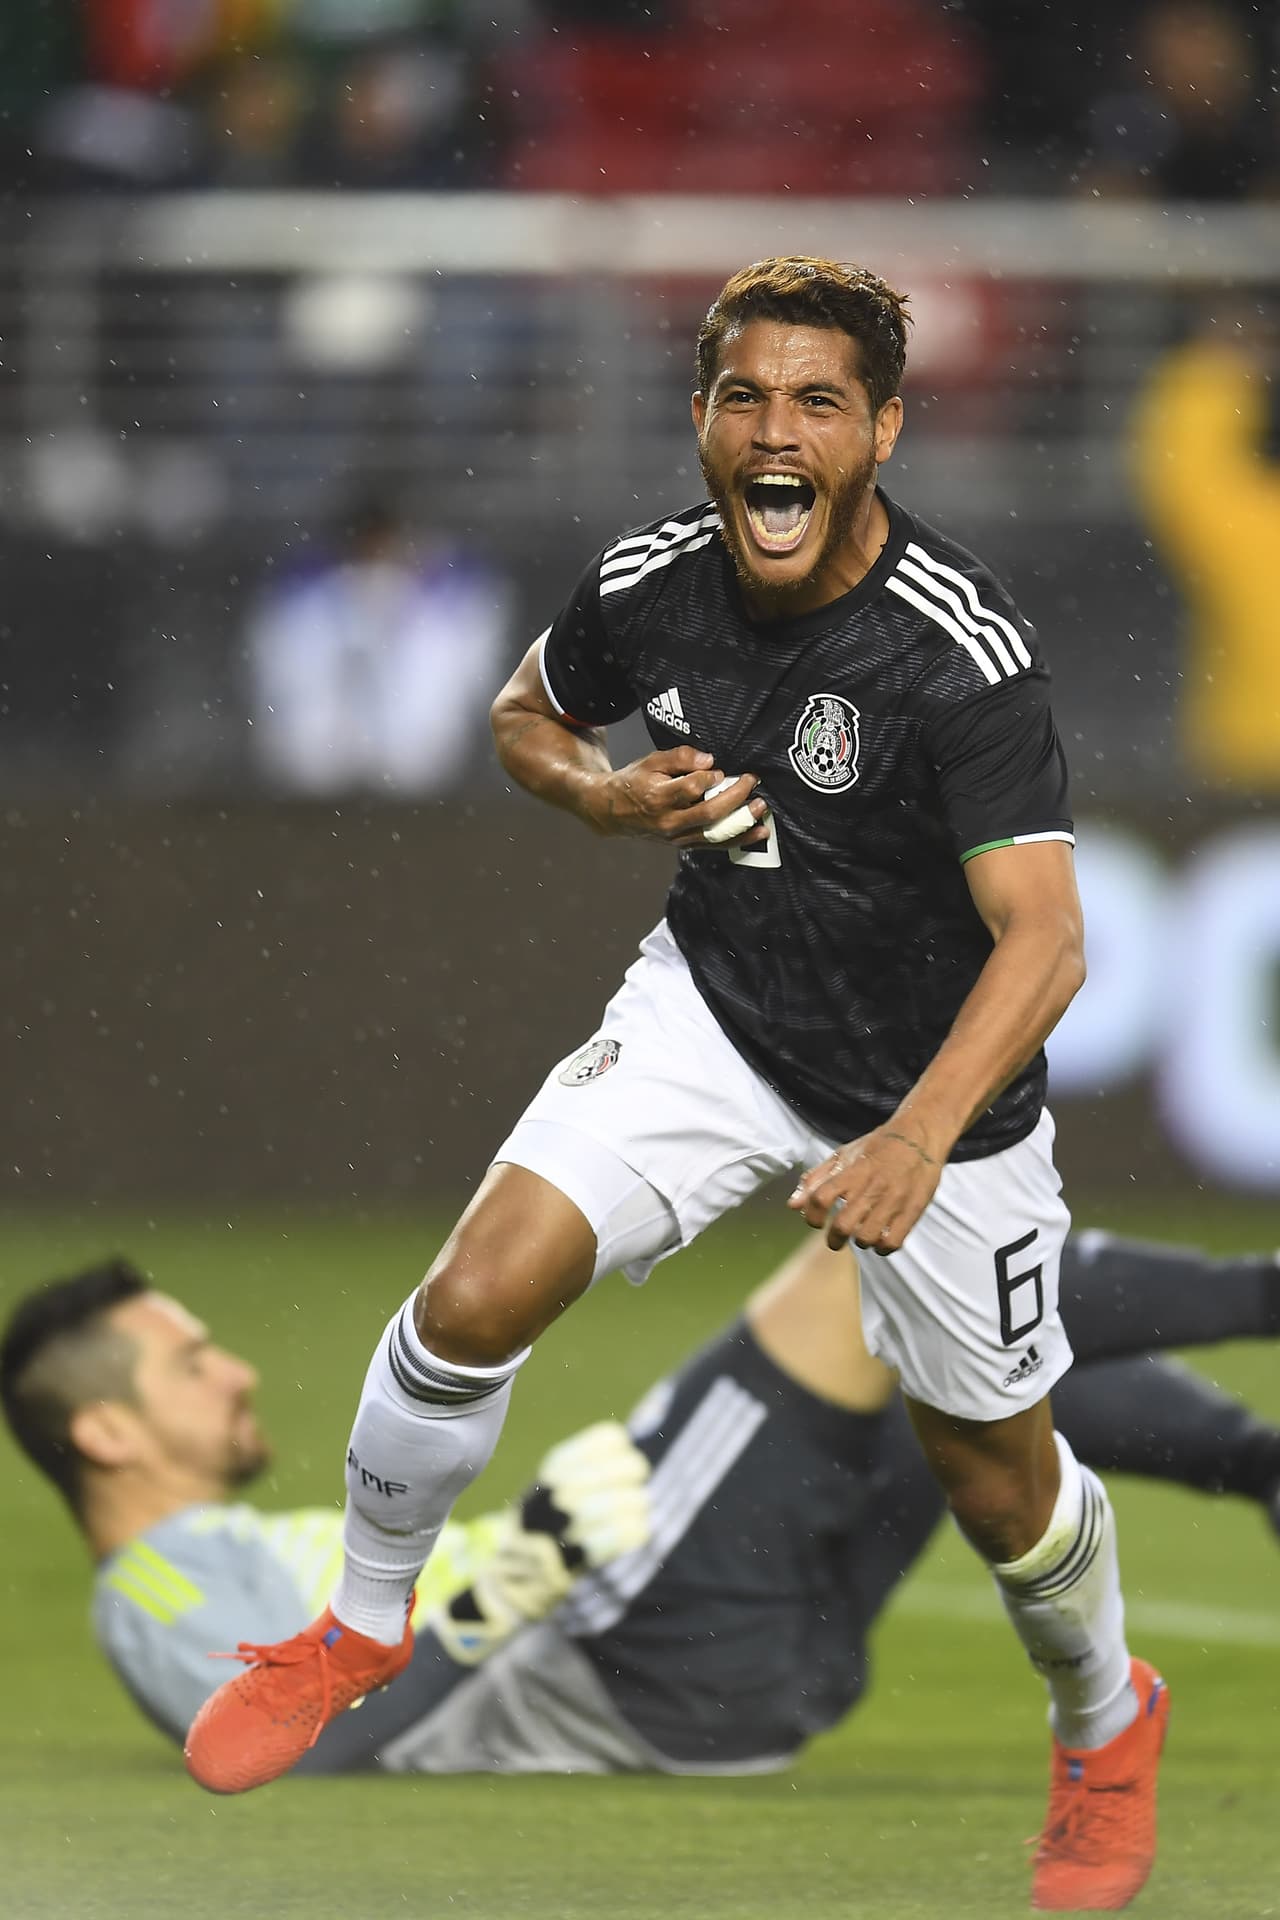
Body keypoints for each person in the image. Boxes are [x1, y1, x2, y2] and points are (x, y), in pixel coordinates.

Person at [186, 255, 1152, 1910]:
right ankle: (358, 1623)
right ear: (701, 416)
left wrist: (917, 1140)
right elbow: (522, 714)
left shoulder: (958, 653)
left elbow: (1047, 943)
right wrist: (596, 796)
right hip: (715, 1010)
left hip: (937, 1095)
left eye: (819, 404)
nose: (779, 434)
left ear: (884, 430)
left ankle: (1102, 1714)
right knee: (474, 1295)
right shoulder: (650, 584)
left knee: (998, 1479)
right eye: (746, 398)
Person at [3, 1233, 1279, 1777]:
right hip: (643, 1659)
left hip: (694, 1661)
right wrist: (513, 1582)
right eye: (188, 1362)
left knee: (938, 1370)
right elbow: (314, 1747)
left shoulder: (224, 1547)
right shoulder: (156, 1584)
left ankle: (1262, 1463)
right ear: (104, 1432)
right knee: (876, 1253)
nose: (231, 1369)